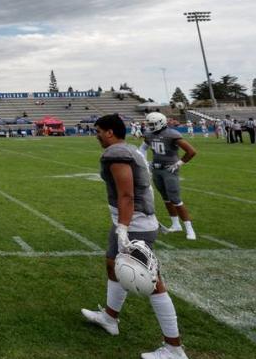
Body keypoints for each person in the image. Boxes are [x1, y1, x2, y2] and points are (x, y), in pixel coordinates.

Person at [81, 114, 188, 359]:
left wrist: (123, 228)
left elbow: (127, 194)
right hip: (131, 220)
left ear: (109, 132)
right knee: (111, 265)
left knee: (152, 281)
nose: (96, 135)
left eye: (98, 131)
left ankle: (174, 348)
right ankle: (110, 318)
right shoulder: (128, 150)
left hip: (135, 223)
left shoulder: (116, 154)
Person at [142, 113, 197, 240]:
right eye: (149, 124)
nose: (150, 126)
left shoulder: (171, 134)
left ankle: (189, 228)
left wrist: (178, 163)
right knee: (166, 199)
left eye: (152, 124)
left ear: (161, 122)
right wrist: (145, 162)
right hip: (156, 170)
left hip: (169, 170)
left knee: (175, 199)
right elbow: (143, 149)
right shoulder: (149, 134)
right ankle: (176, 224)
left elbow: (191, 151)